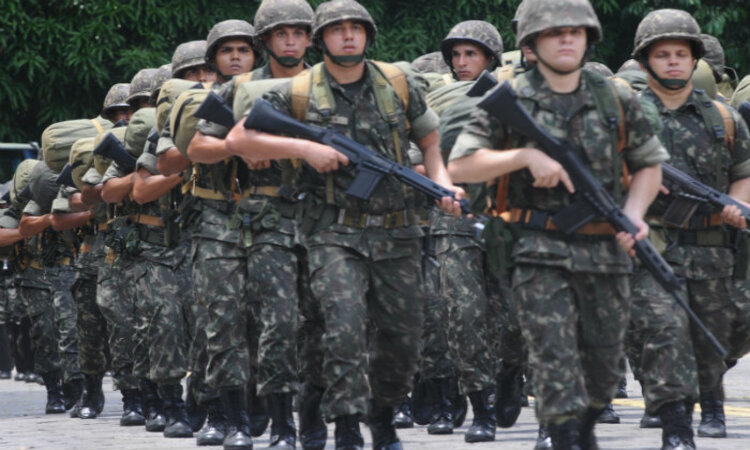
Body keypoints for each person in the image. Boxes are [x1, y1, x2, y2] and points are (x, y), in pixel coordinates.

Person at [225, 1, 463, 449]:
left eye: (356, 28)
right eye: (338, 30)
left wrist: (446, 186)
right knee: (344, 327)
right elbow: (239, 137)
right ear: (322, 40)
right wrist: (305, 151)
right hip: (332, 231)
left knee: (403, 337)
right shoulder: (299, 90)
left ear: (368, 35)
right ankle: (349, 426)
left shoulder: (398, 83)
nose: (348, 36)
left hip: (398, 231)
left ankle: (384, 414)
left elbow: (430, 145)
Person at [446, 0, 668, 448]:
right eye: (553, 32)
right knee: (553, 353)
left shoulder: (616, 96)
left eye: (575, 31)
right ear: (531, 43)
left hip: (604, 250)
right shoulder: (508, 98)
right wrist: (523, 156)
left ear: (589, 38)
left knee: (604, 366)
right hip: (537, 249)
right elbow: (462, 165)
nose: (566, 39)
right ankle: (561, 435)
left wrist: (635, 213)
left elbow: (648, 165)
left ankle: (578, 428)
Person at [631, 9, 750, 447]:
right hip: (654, 247)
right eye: (663, 55)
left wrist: (739, 204)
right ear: (646, 62)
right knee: (666, 334)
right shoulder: (627, 117)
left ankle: (713, 406)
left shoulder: (722, 117)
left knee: (713, 337)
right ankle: (676, 428)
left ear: (695, 59)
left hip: (713, 247)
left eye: (682, 54)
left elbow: (744, 171)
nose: (674, 62)